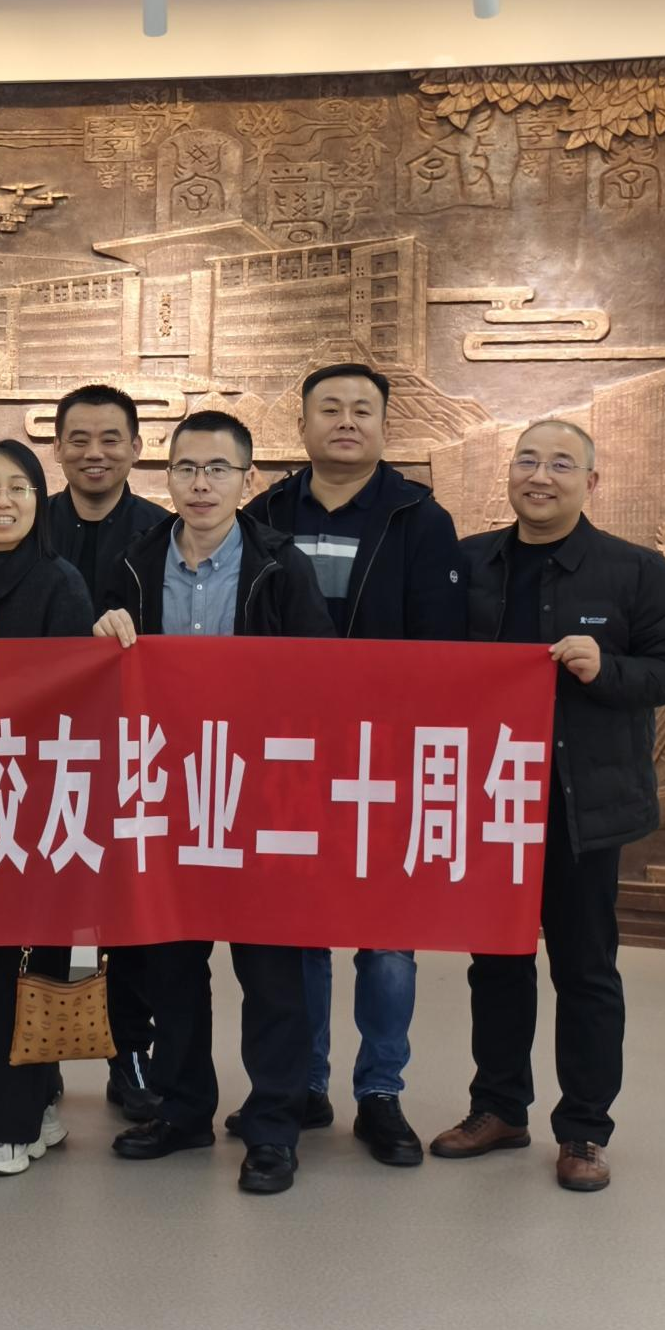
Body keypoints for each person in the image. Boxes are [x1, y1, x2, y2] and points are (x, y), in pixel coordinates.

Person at [434, 419, 665, 1193]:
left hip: (583, 809)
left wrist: (604, 667)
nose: (539, 476)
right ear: (509, 473)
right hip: (489, 799)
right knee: (496, 965)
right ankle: (498, 1108)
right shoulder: (466, 564)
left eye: (559, 464)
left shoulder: (637, 572)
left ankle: (584, 1128)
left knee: (584, 969)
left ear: (591, 482)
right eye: (526, 460)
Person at [101, 410, 332, 1196]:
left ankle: (272, 1130)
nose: (201, 485)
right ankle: (183, 1111)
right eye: (186, 469)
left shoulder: (281, 566)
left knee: (271, 973)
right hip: (166, 795)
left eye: (218, 470)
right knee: (171, 967)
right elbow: (102, 673)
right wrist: (101, 635)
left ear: (247, 480)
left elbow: (320, 681)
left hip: (258, 795)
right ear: (166, 476)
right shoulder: (134, 563)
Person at [251, 361, 469, 1167]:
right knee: (299, 933)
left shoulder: (421, 519)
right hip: (293, 754)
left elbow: (441, 649)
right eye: (330, 409)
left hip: (387, 756)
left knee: (387, 938)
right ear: (302, 425)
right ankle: (305, 1084)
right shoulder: (264, 513)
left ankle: (381, 1092)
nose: (346, 421)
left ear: (383, 426)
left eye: (362, 410)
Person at [0, 438, 98, 1176]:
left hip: (37, 808)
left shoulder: (58, 582)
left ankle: (10, 1130)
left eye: (17, 487)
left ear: (39, 500)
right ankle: (23, 1108)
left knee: (27, 966)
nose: (1, 501)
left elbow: (70, 708)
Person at [43, 383, 172, 1123]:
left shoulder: (163, 532)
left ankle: (131, 1055)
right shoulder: (30, 523)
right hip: (43, 750)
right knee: (46, 911)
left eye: (111, 439)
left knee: (130, 916)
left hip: (135, 750)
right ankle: (40, 1063)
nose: (95, 453)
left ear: (136, 448)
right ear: (58, 448)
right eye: (80, 439)